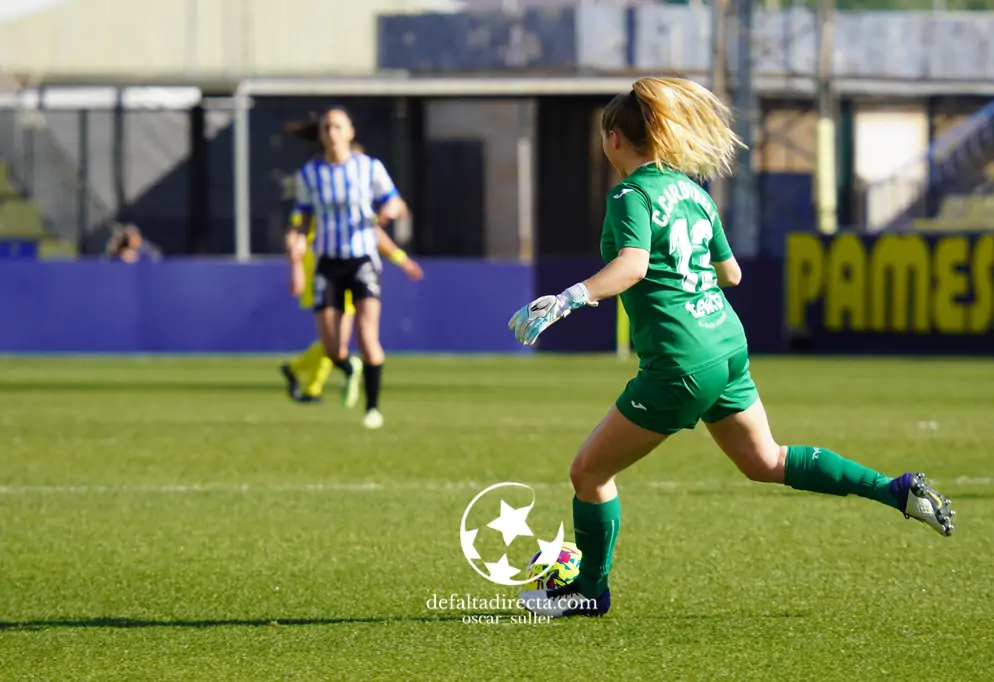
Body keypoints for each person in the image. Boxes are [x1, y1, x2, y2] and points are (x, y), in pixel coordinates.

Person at [509, 77, 956, 619]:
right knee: (765, 460)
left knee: (589, 474)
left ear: (614, 138)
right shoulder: (694, 192)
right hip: (727, 346)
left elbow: (632, 266)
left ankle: (588, 591)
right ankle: (896, 489)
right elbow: (733, 274)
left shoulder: (631, 193)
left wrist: (567, 299)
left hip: (681, 362)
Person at [284, 107, 422, 428]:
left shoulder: (368, 168)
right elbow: (302, 220)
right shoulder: (310, 175)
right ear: (321, 135)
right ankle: (349, 369)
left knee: (367, 336)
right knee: (332, 347)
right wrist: (297, 241)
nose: (331, 133)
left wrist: (391, 209)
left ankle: (372, 408)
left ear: (349, 131)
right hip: (327, 263)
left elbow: (396, 203)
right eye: (326, 128)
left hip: (362, 261)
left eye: (337, 126)